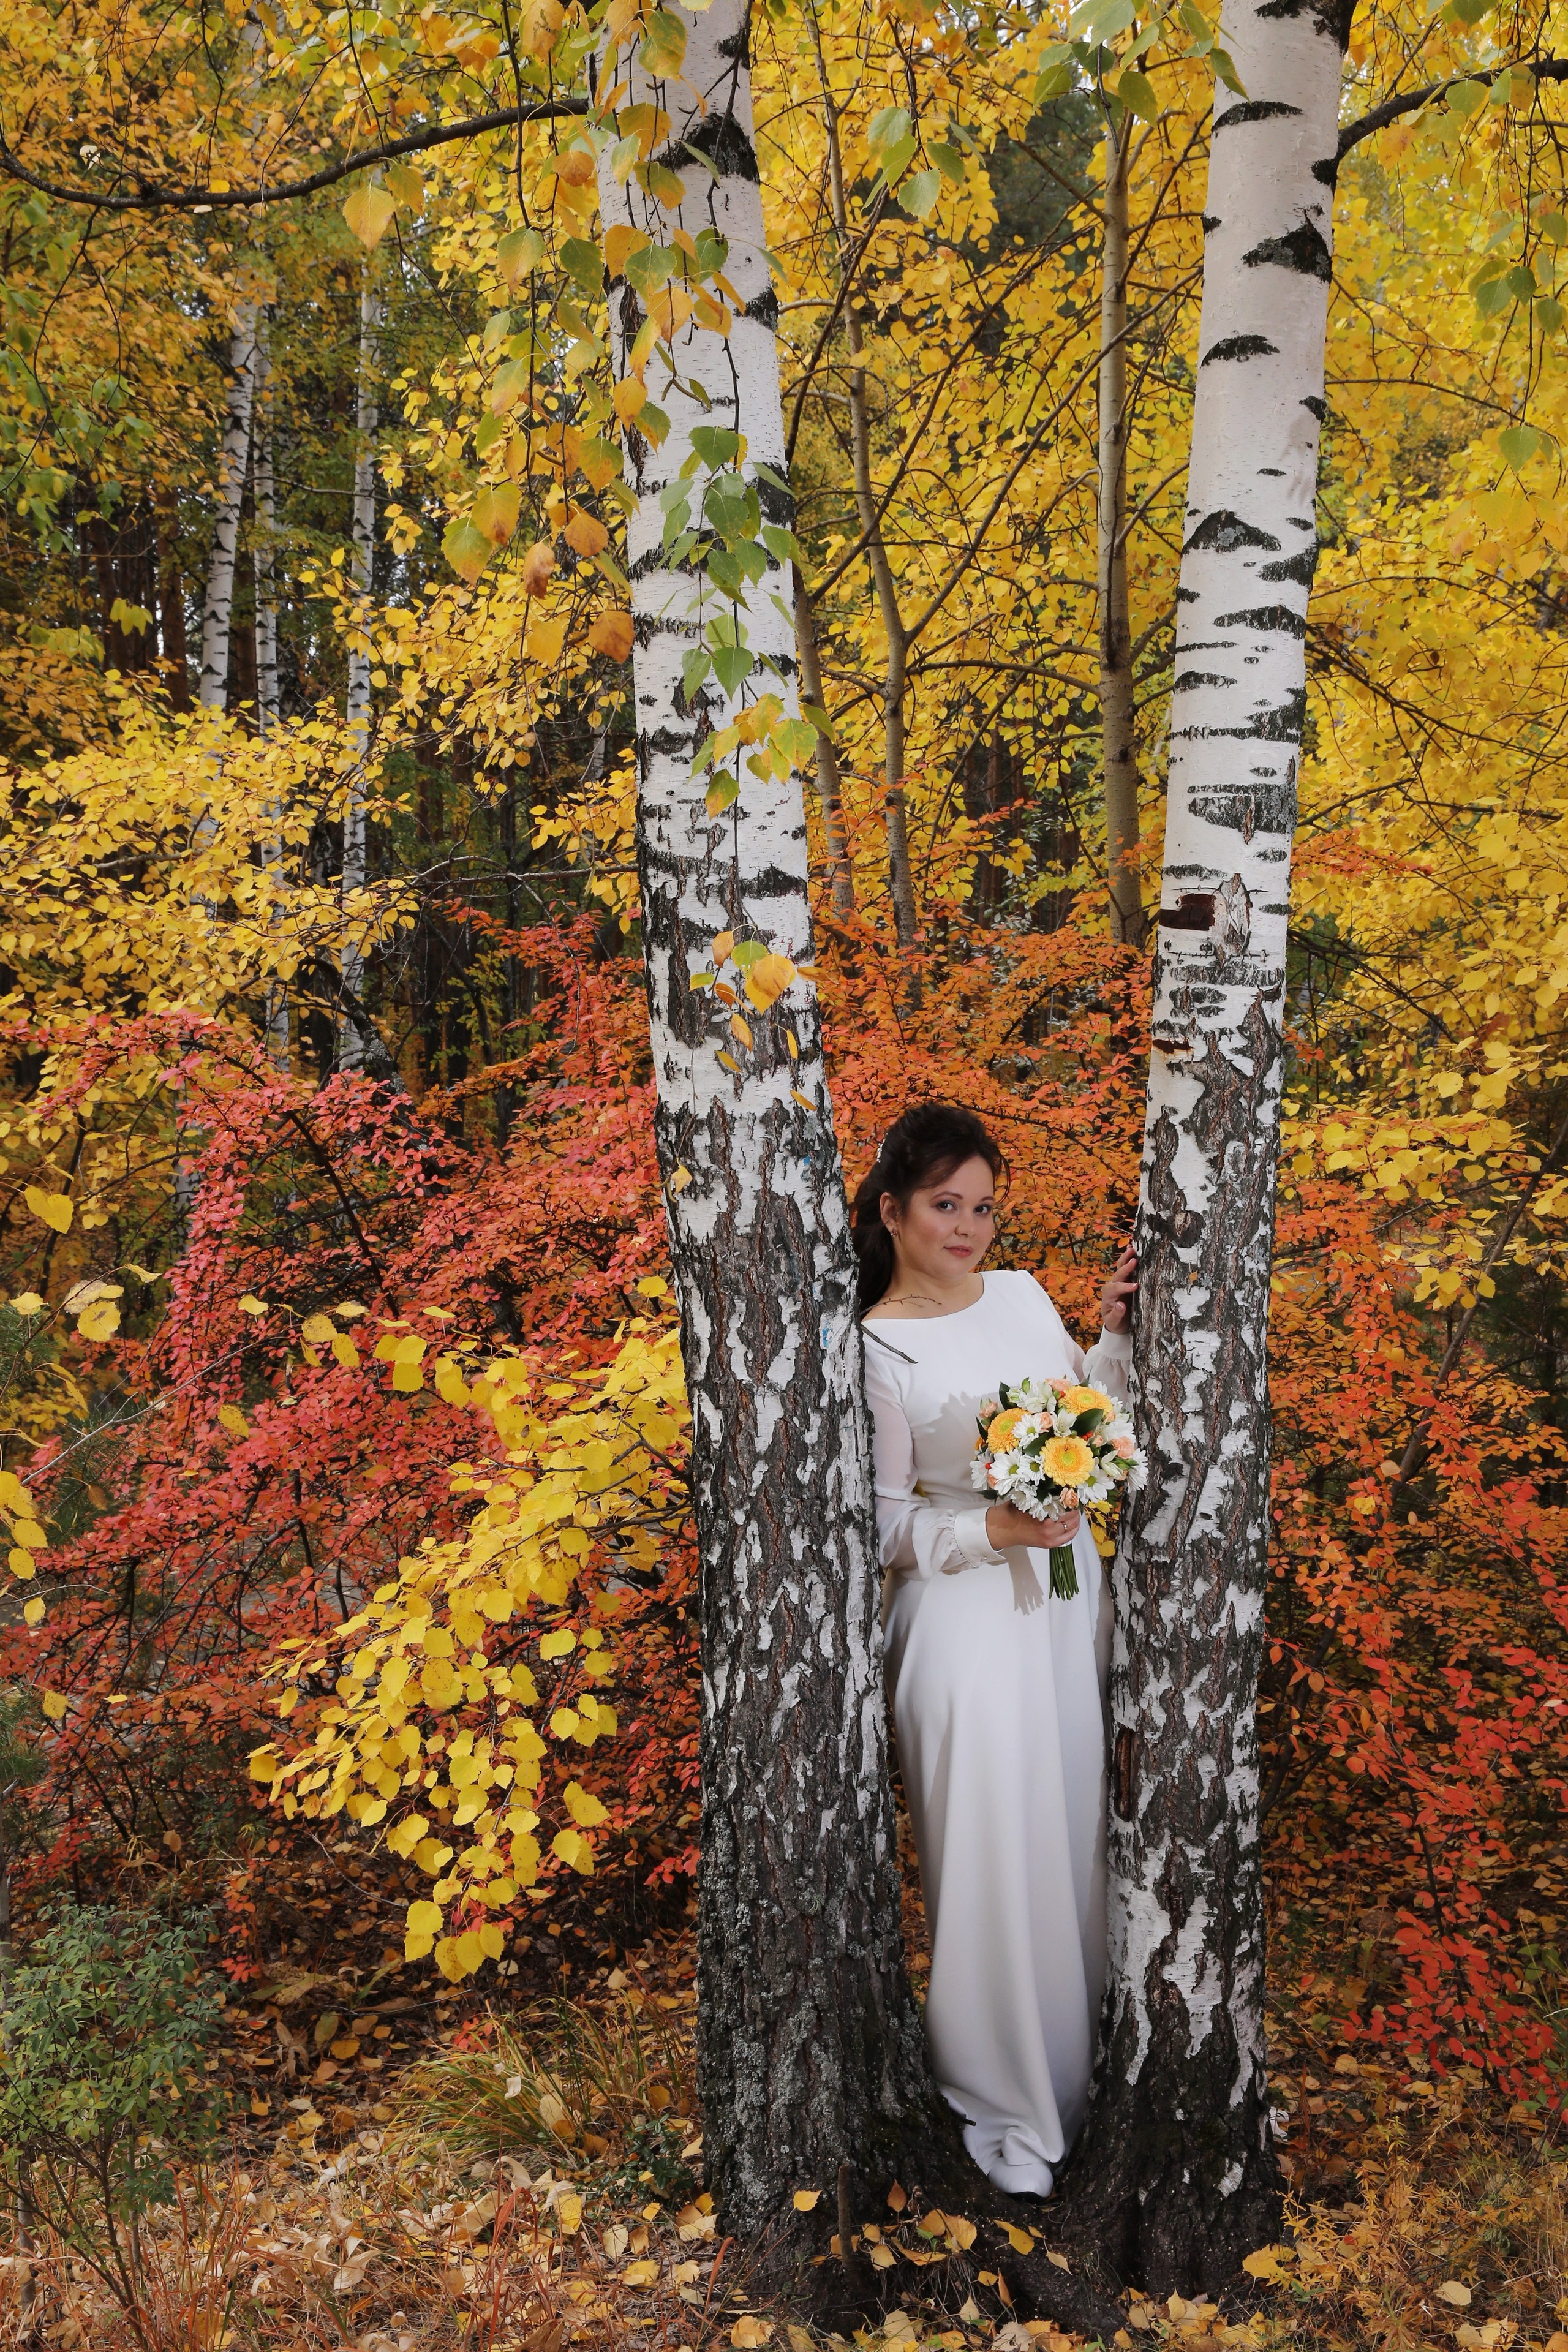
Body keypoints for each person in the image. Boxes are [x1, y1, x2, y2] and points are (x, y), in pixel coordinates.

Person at [856, 1101, 1137, 2200]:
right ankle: (1002, 2103)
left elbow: (1089, 1420)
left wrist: (1107, 1336)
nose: (968, 1227)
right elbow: (878, 1531)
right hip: (965, 1631)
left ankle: (1085, 2088)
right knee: (993, 1860)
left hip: (1070, 1608)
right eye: (945, 1206)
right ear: (894, 1211)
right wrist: (995, 1530)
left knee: (1077, 1842)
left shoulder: (1021, 1297)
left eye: (982, 1206)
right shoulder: (875, 1345)